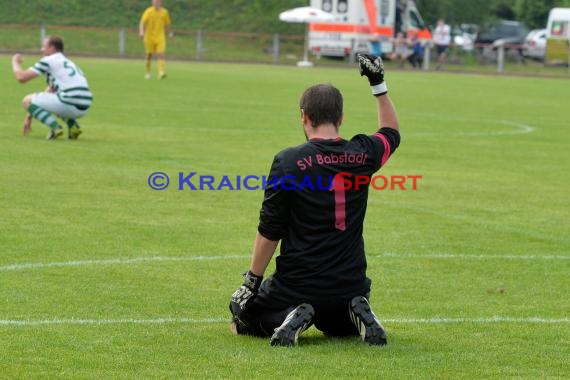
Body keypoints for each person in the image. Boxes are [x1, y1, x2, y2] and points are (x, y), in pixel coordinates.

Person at [229, 54, 401, 347]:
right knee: (338, 327)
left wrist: (251, 281)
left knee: (240, 319)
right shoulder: (363, 154)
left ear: (304, 117)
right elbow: (391, 133)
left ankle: (291, 313)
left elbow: (271, 229)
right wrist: (378, 84)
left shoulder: (289, 161)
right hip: (350, 283)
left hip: (297, 283)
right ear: (341, 118)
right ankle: (355, 310)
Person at [11, 36, 93, 140]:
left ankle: (55, 128)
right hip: (85, 105)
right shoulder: (68, 62)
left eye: (44, 46)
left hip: (69, 101)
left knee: (26, 100)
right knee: (56, 97)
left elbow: (21, 78)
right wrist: (29, 116)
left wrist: (15, 62)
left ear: (52, 47)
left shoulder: (48, 60)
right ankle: (73, 127)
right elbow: (50, 93)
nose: (41, 49)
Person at [139, 0, 173, 79]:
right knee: (149, 55)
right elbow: (142, 22)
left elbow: (167, 24)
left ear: (161, 2)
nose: (156, 3)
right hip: (149, 37)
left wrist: (170, 33)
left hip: (160, 37)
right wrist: (141, 32)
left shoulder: (164, 12)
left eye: (158, 1)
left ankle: (161, 72)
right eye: (154, 1)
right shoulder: (148, 11)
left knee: (161, 53)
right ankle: (148, 72)